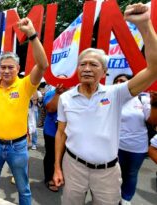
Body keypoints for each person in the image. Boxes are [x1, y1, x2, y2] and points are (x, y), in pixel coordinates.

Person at [54, 3, 157, 205]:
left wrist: (145, 26)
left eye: (94, 64)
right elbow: (61, 132)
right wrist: (57, 166)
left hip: (108, 172)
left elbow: (153, 70)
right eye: (82, 64)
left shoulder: (117, 93)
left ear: (104, 72)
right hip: (73, 166)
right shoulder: (66, 97)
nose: (87, 68)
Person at [0, 17, 48, 205]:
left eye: (11, 67)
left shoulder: (25, 85)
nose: (6, 70)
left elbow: (42, 65)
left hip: (17, 147)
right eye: (3, 67)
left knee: (23, 187)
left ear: (18, 68)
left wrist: (32, 35)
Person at [113, 74, 157, 205]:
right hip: (115, 146)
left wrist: (154, 104)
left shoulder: (142, 98)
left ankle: (126, 199)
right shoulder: (110, 98)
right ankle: (112, 198)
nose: (119, 83)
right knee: (114, 175)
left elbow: (153, 121)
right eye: (116, 81)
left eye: (123, 81)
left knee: (131, 174)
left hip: (137, 148)